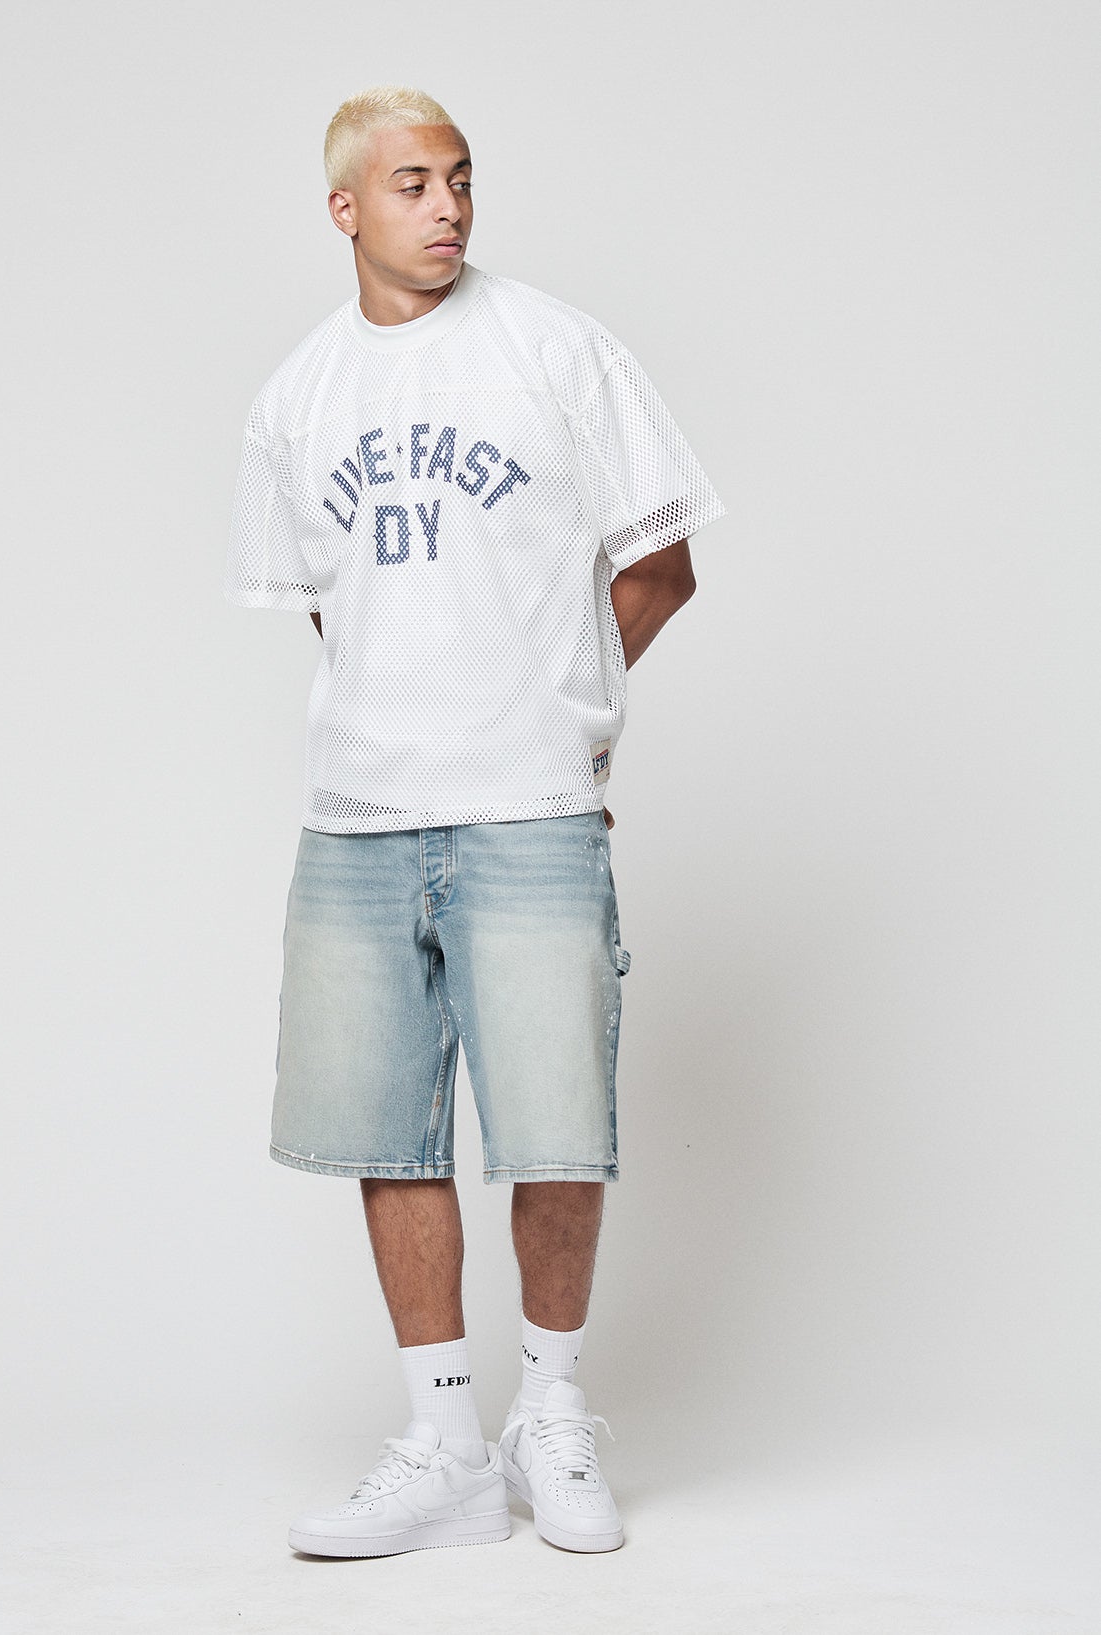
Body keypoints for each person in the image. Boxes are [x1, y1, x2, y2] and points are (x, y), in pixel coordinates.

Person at [225, 84, 725, 1559]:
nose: (445, 207)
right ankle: (445, 1445)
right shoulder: (297, 397)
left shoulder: (556, 352)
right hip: (360, 822)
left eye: (458, 179)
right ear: (344, 209)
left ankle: (549, 1414)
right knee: (386, 1129)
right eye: (411, 185)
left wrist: (553, 710)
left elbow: (662, 566)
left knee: (557, 1131)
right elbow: (335, 609)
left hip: (530, 810)